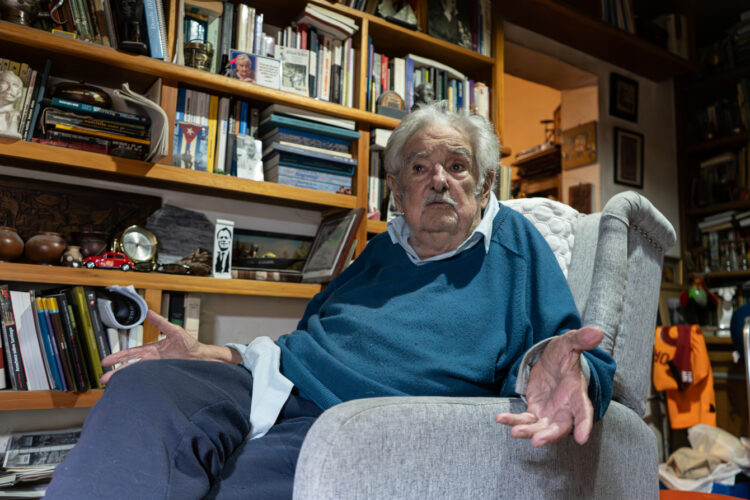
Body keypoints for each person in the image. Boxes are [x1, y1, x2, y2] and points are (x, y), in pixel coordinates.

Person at [46, 102, 615, 499]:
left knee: (234, 485)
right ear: (397, 190)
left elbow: (561, 355)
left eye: (457, 166)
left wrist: (574, 373)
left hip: (354, 419)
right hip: (272, 381)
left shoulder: (514, 245)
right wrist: (213, 353)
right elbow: (305, 342)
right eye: (419, 168)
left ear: (485, 184)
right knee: (145, 387)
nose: (439, 179)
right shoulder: (379, 250)